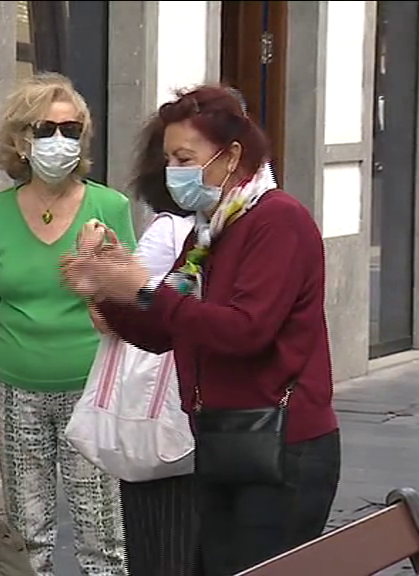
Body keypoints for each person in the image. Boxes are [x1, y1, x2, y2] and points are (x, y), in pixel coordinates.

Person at [61, 84, 340, 576]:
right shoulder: (210, 228)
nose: (175, 172)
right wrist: (107, 286)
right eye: (170, 159)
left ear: (231, 155)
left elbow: (245, 332)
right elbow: (168, 332)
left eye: (185, 157)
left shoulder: (277, 221)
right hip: (218, 439)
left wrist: (144, 289)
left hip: (281, 445)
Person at [0, 72, 133, 576]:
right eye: (46, 129)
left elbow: (134, 301)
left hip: (92, 390)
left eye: (72, 130)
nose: (60, 142)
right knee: (27, 538)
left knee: (101, 537)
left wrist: (102, 269)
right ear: (21, 138)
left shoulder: (110, 207)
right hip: (16, 395)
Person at [111, 114, 200, 576]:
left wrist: (104, 277)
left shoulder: (180, 231)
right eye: (171, 159)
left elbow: (132, 306)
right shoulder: (193, 230)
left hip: (170, 412)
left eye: (183, 158)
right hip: (189, 413)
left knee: (163, 544)